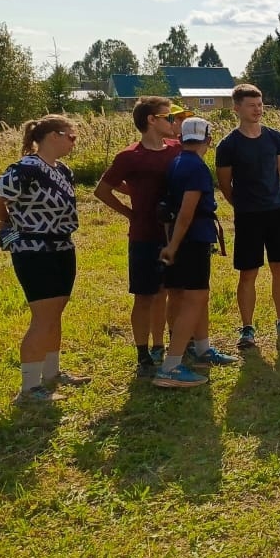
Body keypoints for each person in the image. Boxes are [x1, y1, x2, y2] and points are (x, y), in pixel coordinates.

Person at [0, 115, 88, 404]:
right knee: (42, 317)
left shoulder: (63, 170)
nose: (73, 141)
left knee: (55, 312)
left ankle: (52, 373)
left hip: (62, 247)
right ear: (54, 135)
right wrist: (7, 225)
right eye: (71, 135)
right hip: (33, 250)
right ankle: (29, 388)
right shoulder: (25, 168)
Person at [93, 97, 184, 377]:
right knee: (145, 296)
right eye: (168, 117)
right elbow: (103, 189)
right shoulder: (129, 156)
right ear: (150, 120)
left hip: (176, 235)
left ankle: (174, 345)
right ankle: (143, 355)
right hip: (145, 235)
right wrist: (131, 211)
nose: (173, 122)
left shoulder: (177, 150)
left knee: (173, 291)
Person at [214, 83, 280, 349]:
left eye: (260, 103)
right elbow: (225, 184)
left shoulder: (276, 138)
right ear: (237, 108)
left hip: (277, 211)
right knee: (248, 273)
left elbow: (276, 171)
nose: (258, 109)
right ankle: (247, 329)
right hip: (248, 216)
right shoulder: (228, 145)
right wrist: (243, 205)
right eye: (251, 105)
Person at [156, 117, 240, 388]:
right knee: (195, 299)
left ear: (181, 138)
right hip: (191, 241)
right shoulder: (197, 168)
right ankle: (171, 367)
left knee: (188, 296)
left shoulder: (178, 162)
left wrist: (171, 242)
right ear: (208, 139)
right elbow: (186, 211)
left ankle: (202, 350)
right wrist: (174, 244)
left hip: (182, 241)